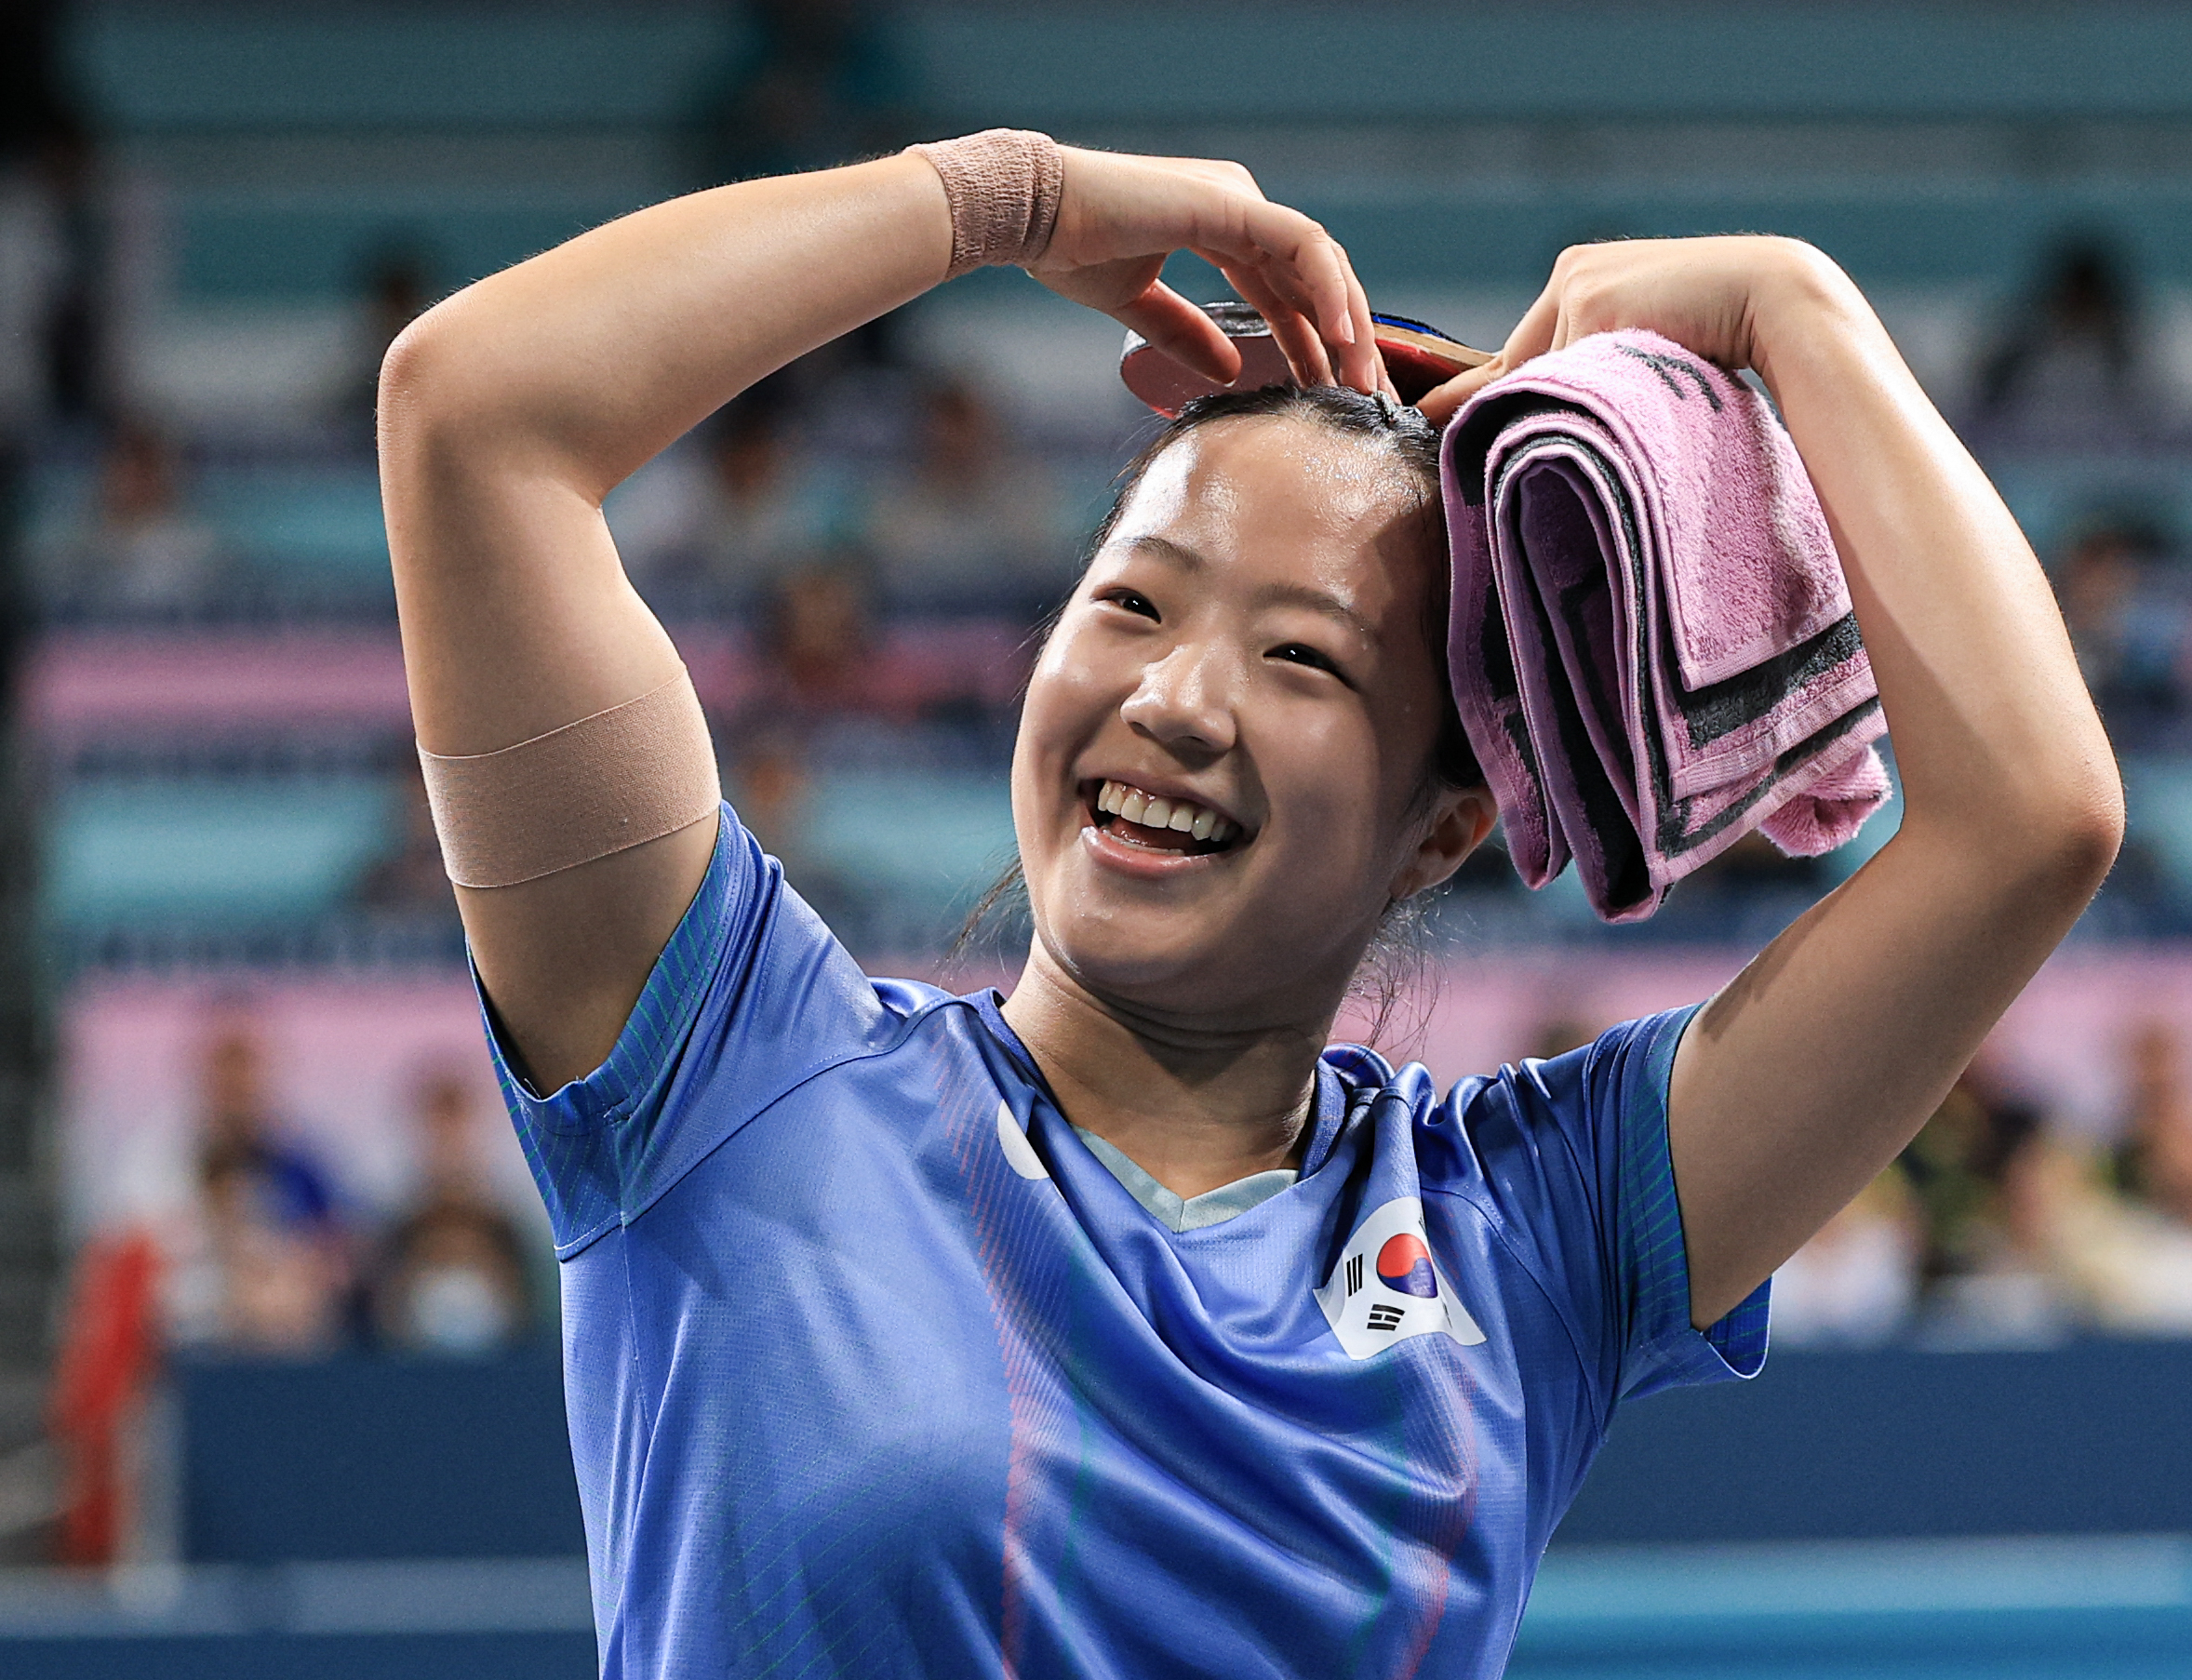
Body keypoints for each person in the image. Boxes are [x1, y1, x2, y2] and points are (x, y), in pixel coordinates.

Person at [378, 131, 2121, 1675]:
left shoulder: (1532, 1235)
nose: (1178, 701)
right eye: (1136, 605)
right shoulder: (733, 1083)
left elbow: (2028, 817)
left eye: (1302, 655)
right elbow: (475, 418)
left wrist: (1788, 305)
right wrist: (1002, 197)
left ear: (1442, 828)